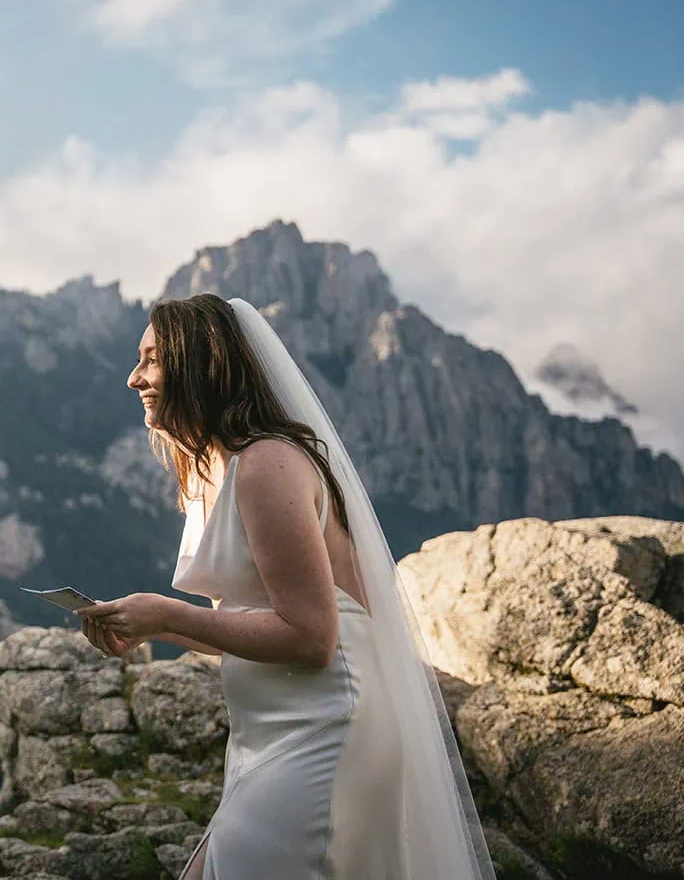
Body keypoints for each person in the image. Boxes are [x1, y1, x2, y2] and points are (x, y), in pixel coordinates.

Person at [78, 294, 494, 880]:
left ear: (199, 364)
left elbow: (312, 637)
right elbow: (251, 626)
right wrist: (149, 626)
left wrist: (168, 615)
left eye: (151, 360)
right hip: (268, 731)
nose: (134, 378)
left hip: (326, 725)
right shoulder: (210, 470)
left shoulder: (268, 464)